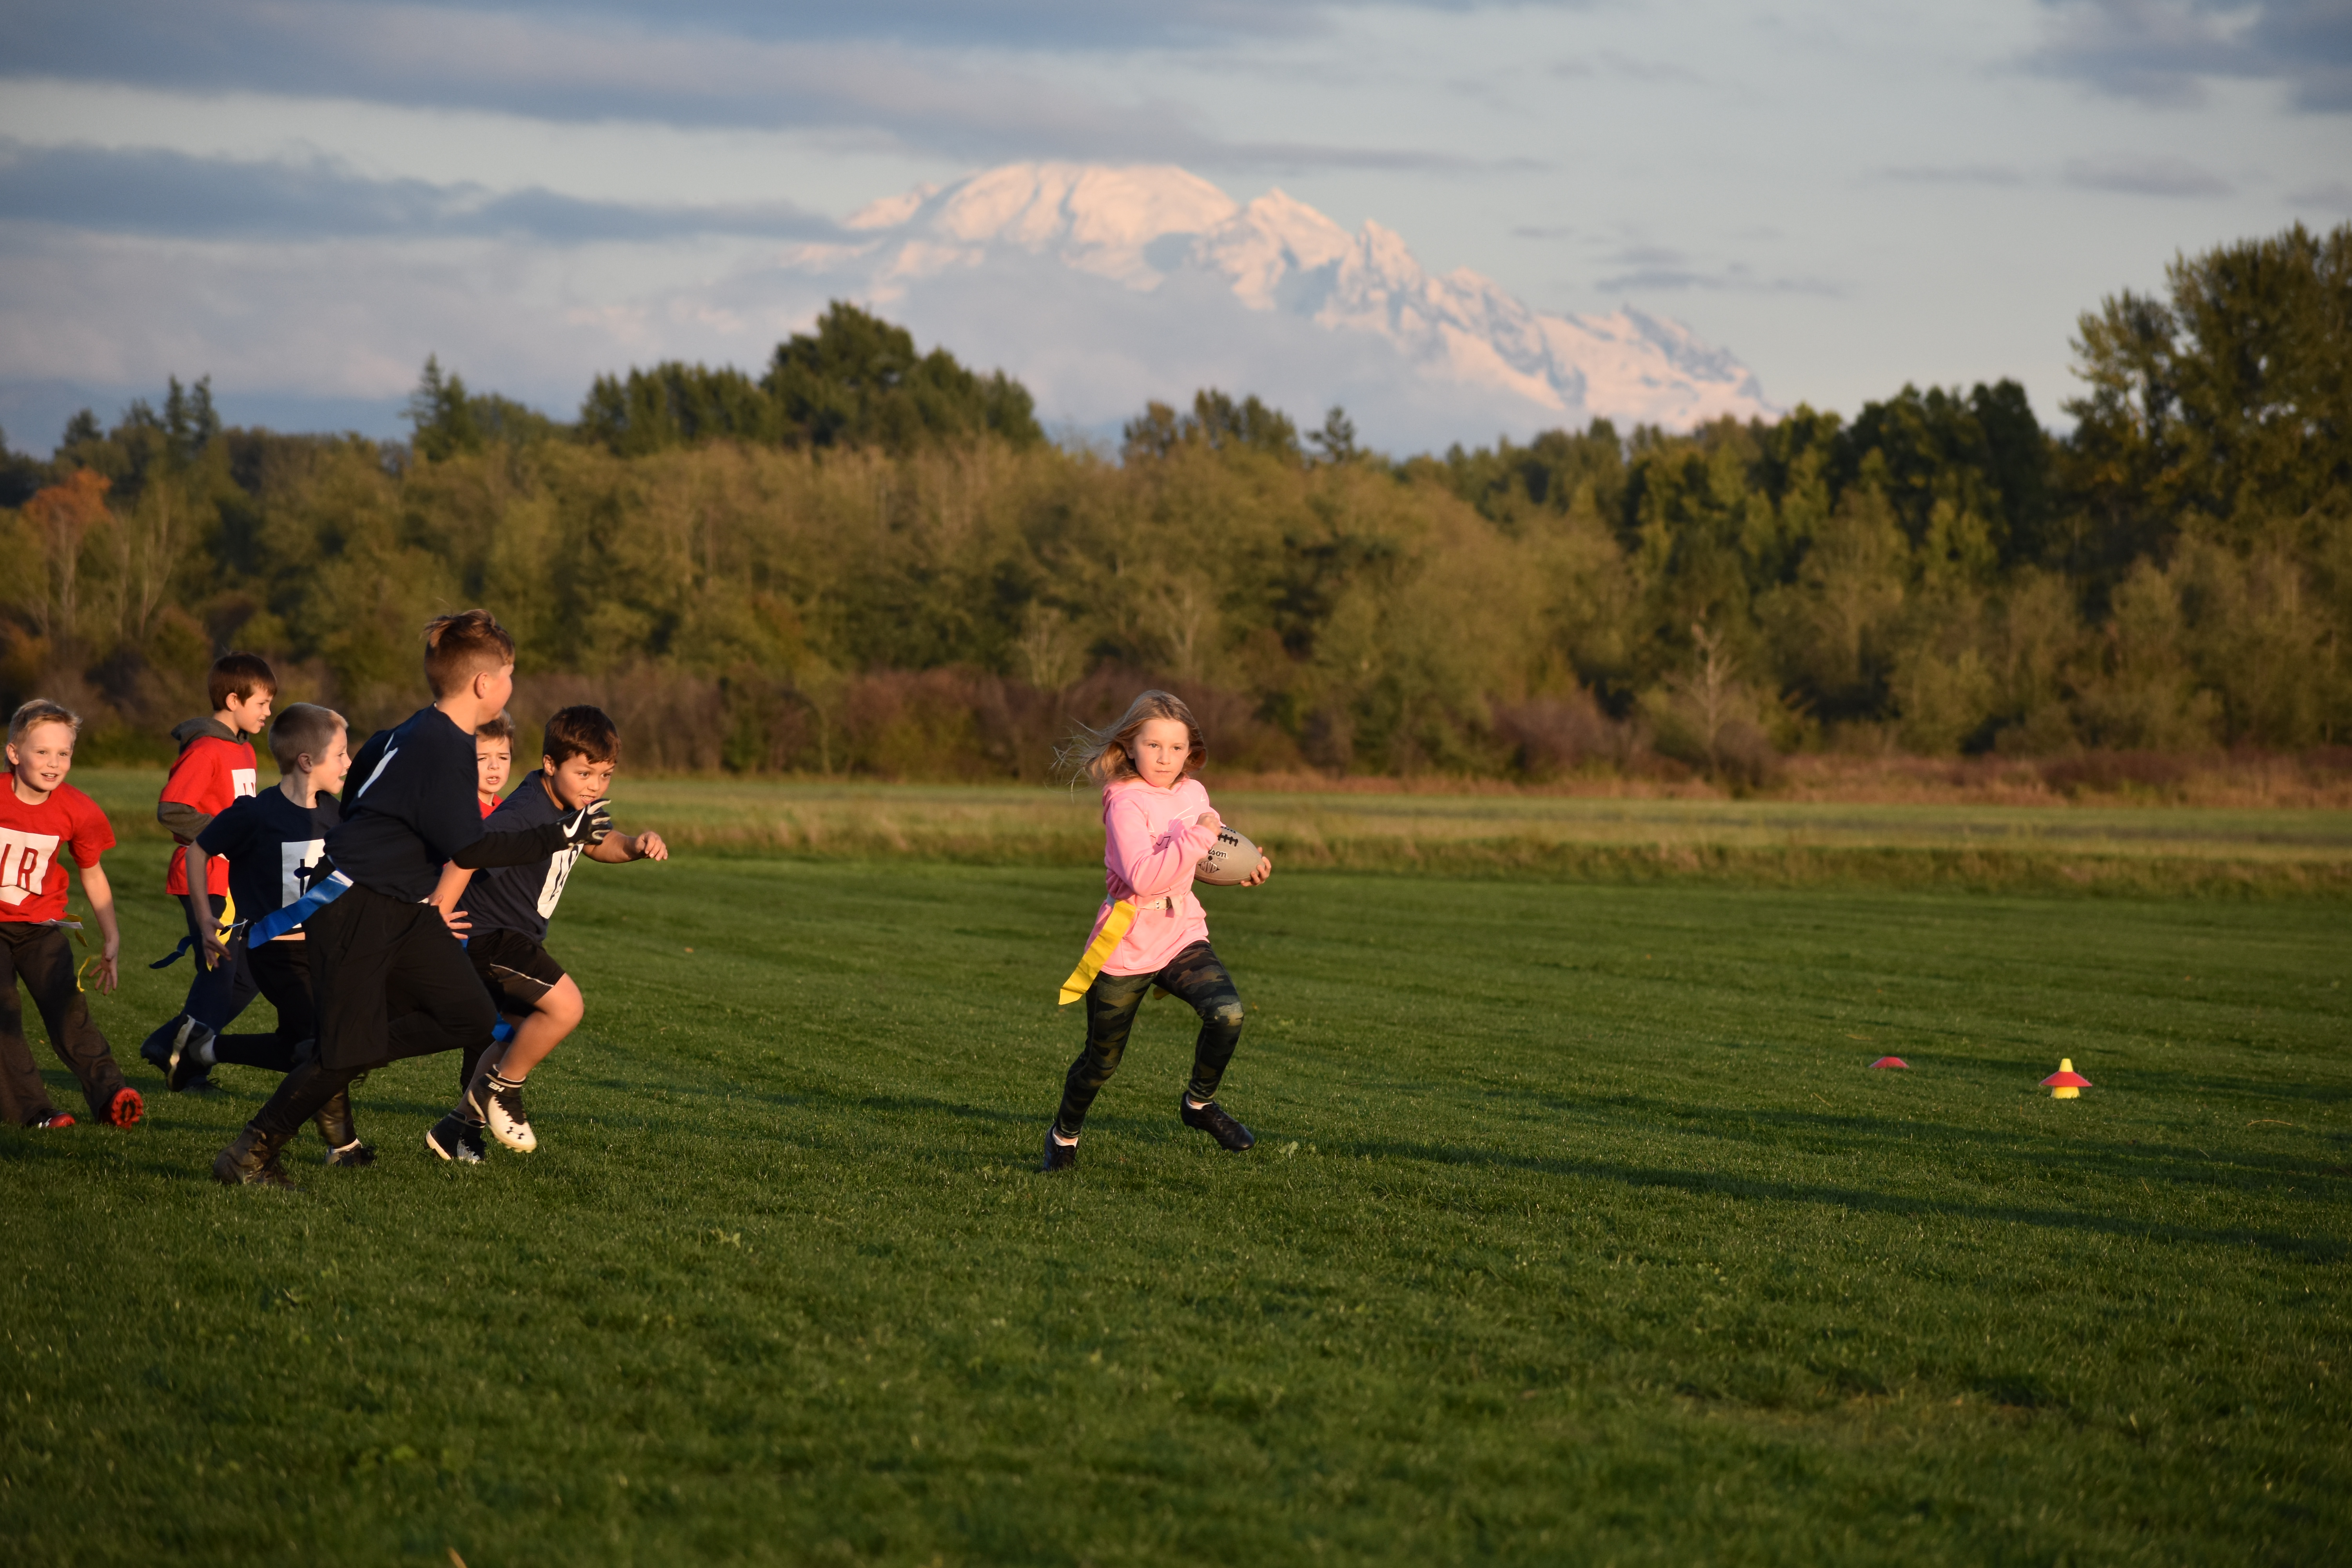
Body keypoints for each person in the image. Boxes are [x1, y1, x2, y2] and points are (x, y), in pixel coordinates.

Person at [211, 610, 611, 1188]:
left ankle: (340, 1049)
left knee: (472, 1015)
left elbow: (364, 781)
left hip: (401, 908)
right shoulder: (443, 747)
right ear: (483, 684)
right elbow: (469, 846)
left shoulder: (416, 731)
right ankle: (251, 1151)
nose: (512, 685)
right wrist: (561, 834)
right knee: (346, 1052)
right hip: (356, 906)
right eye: (510, 674)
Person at [1040, 689, 1270, 1173]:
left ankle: (1199, 1105)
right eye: (1153, 745)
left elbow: (1205, 854)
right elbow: (1145, 875)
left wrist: (1247, 866)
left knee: (1227, 1013)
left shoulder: (1194, 793)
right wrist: (1204, 833)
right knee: (1100, 1065)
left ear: (1192, 751)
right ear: (1130, 746)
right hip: (1128, 940)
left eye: (1176, 747)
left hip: (1180, 931)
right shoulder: (1124, 803)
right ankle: (1063, 1136)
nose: (1165, 758)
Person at [429, 704, 667, 1154]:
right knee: (566, 1008)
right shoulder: (525, 810)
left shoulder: (579, 801)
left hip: (517, 936)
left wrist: (635, 845)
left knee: (521, 1034)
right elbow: (468, 852)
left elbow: (599, 842)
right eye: (585, 774)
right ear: (550, 764)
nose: (595, 786)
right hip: (489, 934)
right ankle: (503, 1091)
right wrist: (438, 909)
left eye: (606, 775)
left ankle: (457, 1129)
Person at [171, 702, 374, 1165]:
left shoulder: (338, 815)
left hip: (325, 954)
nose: (348, 763)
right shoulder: (256, 814)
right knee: (326, 1045)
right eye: (340, 754)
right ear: (307, 761)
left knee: (295, 1048)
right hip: (275, 952)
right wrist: (206, 919)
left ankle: (203, 1048)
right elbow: (198, 851)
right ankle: (343, 1147)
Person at [0, 699, 139, 1130]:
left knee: (69, 1010)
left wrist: (111, 936)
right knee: (3, 1014)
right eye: (42, 752)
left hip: (42, 927)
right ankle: (37, 1112)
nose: (54, 763)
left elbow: (92, 874)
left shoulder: (78, 808)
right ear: (14, 753)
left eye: (64, 753)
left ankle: (111, 1095)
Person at [141, 651, 274, 1092]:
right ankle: (188, 1067)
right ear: (233, 700)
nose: (268, 712)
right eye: (262, 703)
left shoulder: (245, 749)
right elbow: (172, 810)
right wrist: (225, 836)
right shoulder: (205, 748)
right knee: (219, 974)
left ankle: (167, 1043)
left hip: (235, 880)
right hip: (204, 877)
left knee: (249, 975)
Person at [474, 709, 515, 817]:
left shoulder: (505, 810)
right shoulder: (463, 813)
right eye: (482, 759)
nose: (494, 766)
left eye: (503, 758)